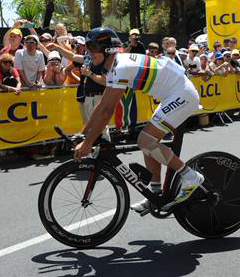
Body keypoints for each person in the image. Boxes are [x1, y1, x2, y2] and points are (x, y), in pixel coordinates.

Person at [74, 27, 204, 214]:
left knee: (145, 140)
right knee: (147, 143)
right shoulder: (114, 68)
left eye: (93, 47)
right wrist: (83, 133)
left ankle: (189, 175)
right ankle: (155, 194)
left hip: (181, 94)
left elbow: (108, 111)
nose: (89, 53)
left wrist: (87, 143)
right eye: (88, 48)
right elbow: (102, 105)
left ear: (108, 49)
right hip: (171, 95)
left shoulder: (121, 67)